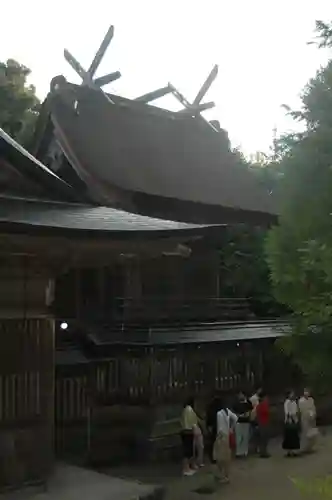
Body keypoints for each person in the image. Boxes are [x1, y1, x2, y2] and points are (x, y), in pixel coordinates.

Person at [213, 397, 238, 484]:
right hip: (227, 435)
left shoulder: (219, 413)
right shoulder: (227, 411)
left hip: (221, 436)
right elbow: (235, 418)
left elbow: (219, 427)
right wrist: (231, 428)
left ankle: (223, 475)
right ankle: (225, 475)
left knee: (219, 457)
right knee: (226, 457)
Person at [180, 397, 199, 476]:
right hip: (188, 431)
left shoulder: (186, 409)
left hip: (186, 431)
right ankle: (186, 468)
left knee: (189, 450)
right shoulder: (189, 410)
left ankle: (188, 467)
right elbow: (192, 422)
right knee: (187, 451)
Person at [299, 388, 318, 454]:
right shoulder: (301, 401)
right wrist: (308, 414)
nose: (307, 393)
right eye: (305, 392)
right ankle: (305, 448)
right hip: (305, 418)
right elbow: (302, 410)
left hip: (312, 418)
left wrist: (313, 414)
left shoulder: (311, 400)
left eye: (308, 392)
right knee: (306, 433)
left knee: (313, 433)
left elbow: (313, 407)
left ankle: (311, 447)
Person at [233, 391, 252, 457]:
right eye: (239, 395)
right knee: (239, 438)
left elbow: (250, 411)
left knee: (245, 437)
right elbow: (233, 412)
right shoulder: (236, 404)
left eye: (241, 394)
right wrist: (238, 415)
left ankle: (245, 451)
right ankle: (239, 452)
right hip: (238, 422)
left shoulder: (248, 403)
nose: (240, 396)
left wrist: (247, 414)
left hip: (246, 421)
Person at [282, 390, 300, 457]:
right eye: (291, 394)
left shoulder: (294, 402)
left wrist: (296, 419)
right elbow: (287, 412)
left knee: (294, 436)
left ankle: (293, 451)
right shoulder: (287, 402)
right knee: (289, 437)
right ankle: (289, 451)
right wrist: (290, 418)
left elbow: (296, 411)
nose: (292, 395)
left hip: (294, 419)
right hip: (289, 420)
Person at [256, 392, 270, 458]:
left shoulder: (260, 405)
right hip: (263, 423)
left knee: (264, 438)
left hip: (263, 422)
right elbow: (266, 412)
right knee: (263, 438)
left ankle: (264, 451)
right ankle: (263, 452)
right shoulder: (263, 405)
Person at [206, 395, 219, 463]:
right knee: (214, 442)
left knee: (213, 442)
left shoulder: (210, 408)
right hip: (215, 426)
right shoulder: (216, 409)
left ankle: (213, 457)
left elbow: (208, 419)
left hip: (213, 426)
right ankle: (214, 457)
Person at [249, 387, 262, 454]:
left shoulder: (258, 398)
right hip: (254, 416)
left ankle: (256, 447)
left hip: (257, 416)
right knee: (254, 433)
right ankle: (254, 448)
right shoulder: (253, 398)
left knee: (257, 433)